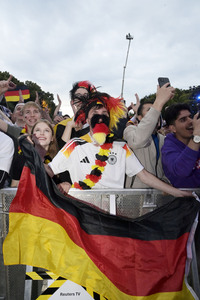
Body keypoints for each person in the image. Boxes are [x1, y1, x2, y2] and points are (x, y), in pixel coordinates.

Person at [45, 91, 192, 198]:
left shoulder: (121, 147)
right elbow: (49, 170)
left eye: (105, 112)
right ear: (88, 120)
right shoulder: (74, 145)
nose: (101, 115)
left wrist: (178, 193)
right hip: (83, 217)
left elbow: (144, 175)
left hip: (114, 216)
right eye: (96, 111)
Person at [123, 83, 174, 188]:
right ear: (140, 117)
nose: (155, 114)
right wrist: (158, 102)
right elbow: (138, 141)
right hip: (135, 194)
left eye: (157, 111)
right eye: (149, 111)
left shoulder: (164, 139)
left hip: (160, 193)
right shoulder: (130, 130)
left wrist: (165, 182)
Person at [161, 103, 200, 188]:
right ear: (173, 128)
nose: (191, 121)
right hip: (183, 199)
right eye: (183, 120)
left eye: (190, 117)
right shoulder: (168, 148)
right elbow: (181, 171)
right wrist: (196, 137)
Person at [54, 80, 96, 149]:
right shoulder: (62, 126)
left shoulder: (97, 125)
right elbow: (61, 154)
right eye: (78, 95)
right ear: (73, 102)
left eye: (85, 95)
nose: (82, 98)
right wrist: (69, 126)